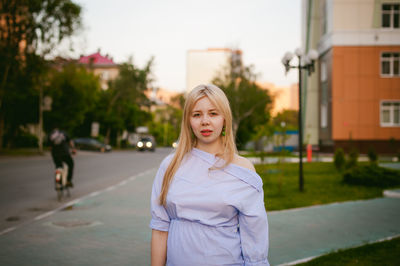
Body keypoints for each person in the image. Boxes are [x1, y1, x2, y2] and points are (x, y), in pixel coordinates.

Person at [150, 84, 269, 266]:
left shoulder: (243, 170)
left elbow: (254, 238)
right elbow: (160, 228)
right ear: (188, 121)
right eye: (197, 114)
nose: (205, 121)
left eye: (213, 113)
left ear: (224, 119)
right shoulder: (170, 165)